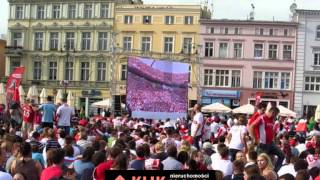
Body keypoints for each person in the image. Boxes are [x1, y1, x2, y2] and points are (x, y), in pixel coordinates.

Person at [249, 107, 284, 171]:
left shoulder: (271, 119)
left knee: (281, 155)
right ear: (272, 112)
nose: (276, 116)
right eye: (275, 115)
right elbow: (251, 126)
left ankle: (275, 171)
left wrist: (274, 139)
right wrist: (255, 139)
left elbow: (271, 130)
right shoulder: (262, 118)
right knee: (261, 162)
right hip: (263, 144)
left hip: (271, 143)